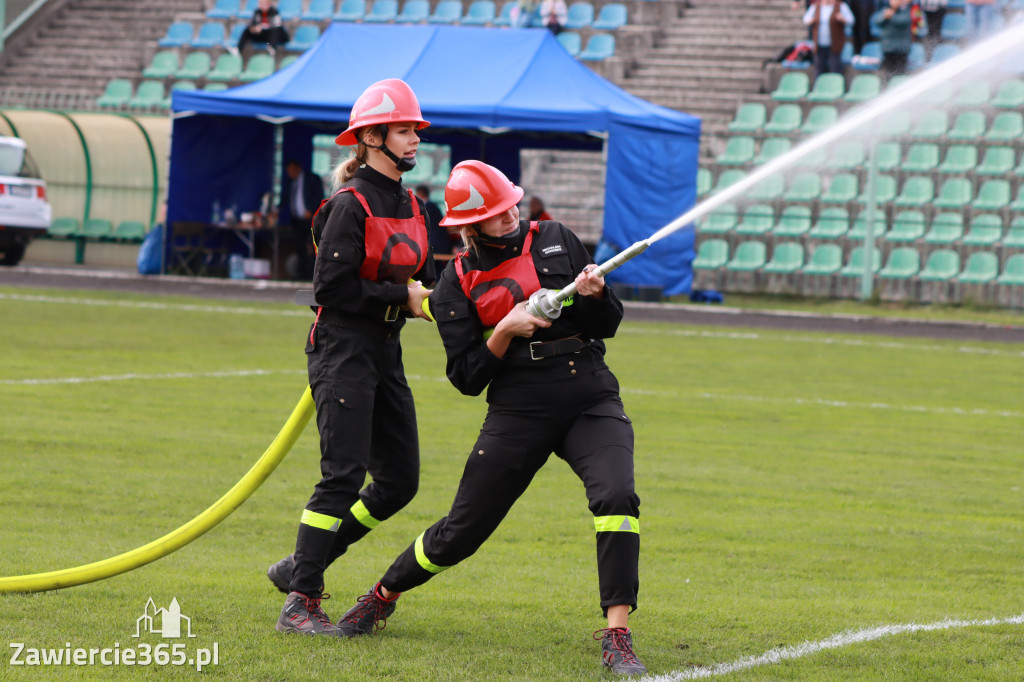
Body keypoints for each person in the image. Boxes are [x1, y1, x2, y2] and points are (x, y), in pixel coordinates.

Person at [330, 161, 647, 676]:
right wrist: (504, 330)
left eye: (512, 207)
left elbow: (606, 325)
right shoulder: (454, 283)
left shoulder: (557, 239)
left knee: (616, 497)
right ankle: (382, 594)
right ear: (468, 227)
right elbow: (466, 376)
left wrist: (596, 295)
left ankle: (617, 633)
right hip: (518, 404)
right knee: (461, 532)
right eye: (498, 215)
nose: (512, 218)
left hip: (588, 392)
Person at [269, 78, 435, 636]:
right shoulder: (349, 204)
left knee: (399, 481)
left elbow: (437, 281)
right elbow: (332, 287)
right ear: (370, 137)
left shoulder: (416, 203)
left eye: (416, 130)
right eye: (405, 130)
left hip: (386, 349)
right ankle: (301, 601)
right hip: (342, 345)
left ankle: (302, 563)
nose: (415, 139)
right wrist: (401, 296)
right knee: (342, 476)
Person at [281, 160, 324, 281]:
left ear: (298, 168)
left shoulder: (312, 178)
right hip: (296, 220)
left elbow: (318, 194)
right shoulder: (290, 181)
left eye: (292, 170)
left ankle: (315, 275)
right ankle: (302, 274)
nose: (290, 173)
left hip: (310, 219)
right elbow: (285, 198)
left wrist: (310, 209)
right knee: (299, 247)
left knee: (313, 246)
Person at [803, 0, 855, 79]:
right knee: (819, 68)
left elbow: (851, 20)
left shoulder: (841, 6)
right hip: (819, 44)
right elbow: (806, 19)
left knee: (835, 67)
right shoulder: (816, 6)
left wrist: (842, 19)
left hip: (834, 45)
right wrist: (811, 20)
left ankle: (836, 87)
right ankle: (819, 88)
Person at [414, 184, 454, 274]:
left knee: (435, 268)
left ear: (419, 194)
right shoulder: (433, 207)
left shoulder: (425, 208)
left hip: (435, 245)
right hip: (440, 244)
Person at [873, 0, 914, 78]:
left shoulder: (905, 10)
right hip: (888, 50)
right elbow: (876, 21)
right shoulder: (886, 10)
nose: (894, 2)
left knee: (899, 75)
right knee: (887, 75)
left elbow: (903, 21)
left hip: (901, 50)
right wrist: (884, 16)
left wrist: (891, 16)